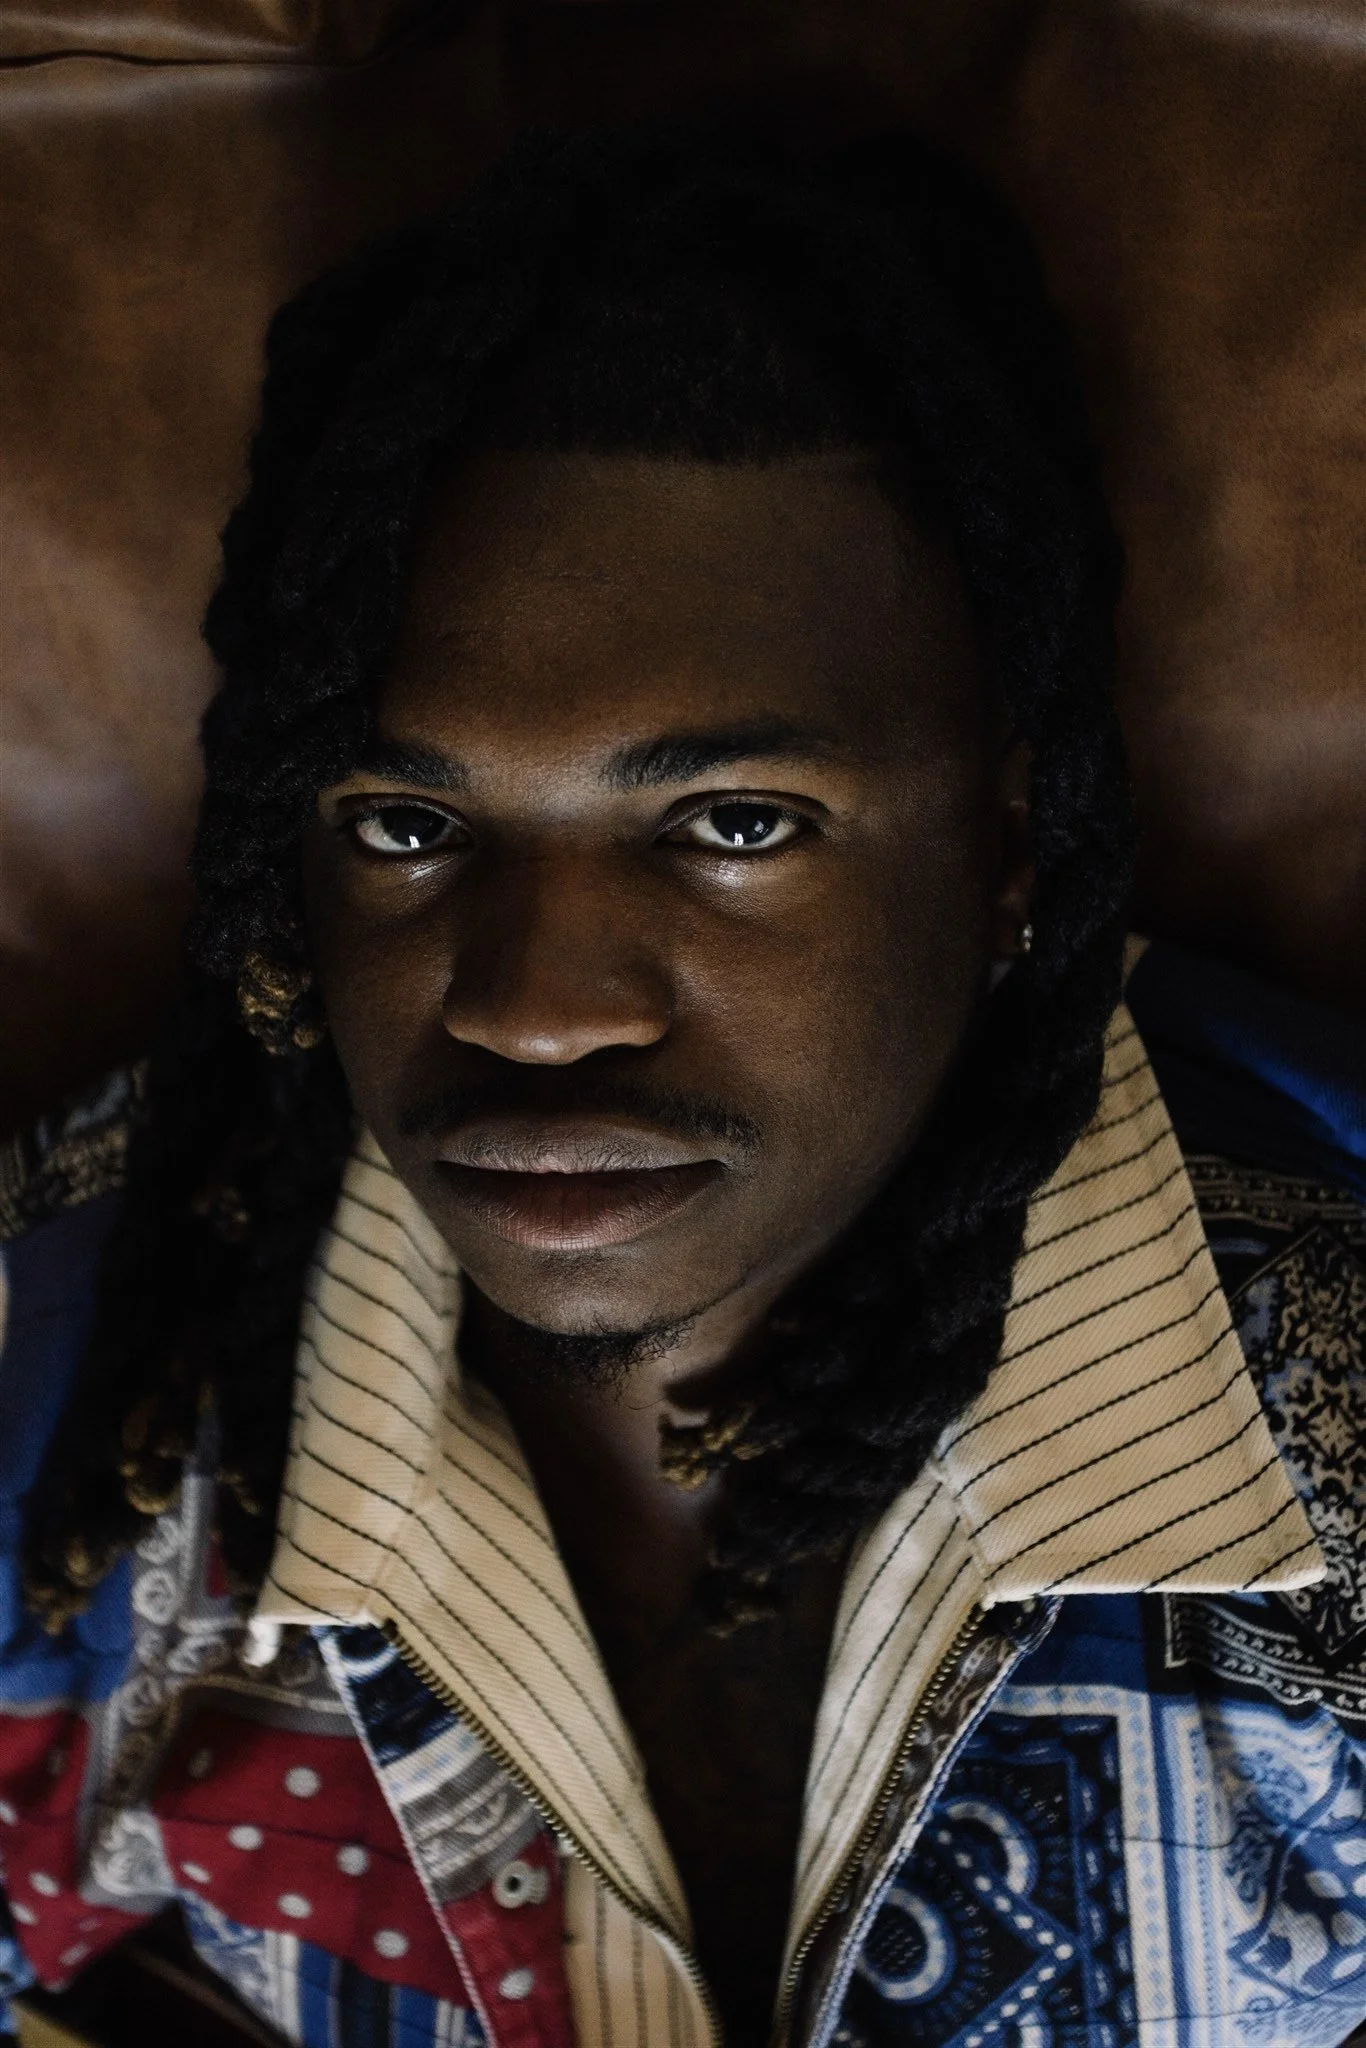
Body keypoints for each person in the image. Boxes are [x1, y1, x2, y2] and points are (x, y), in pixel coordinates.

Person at [0, 124, 1362, 2048]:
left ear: (1012, 849)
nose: (534, 1011)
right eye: (405, 824)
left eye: (731, 822)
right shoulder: (62, 1360)